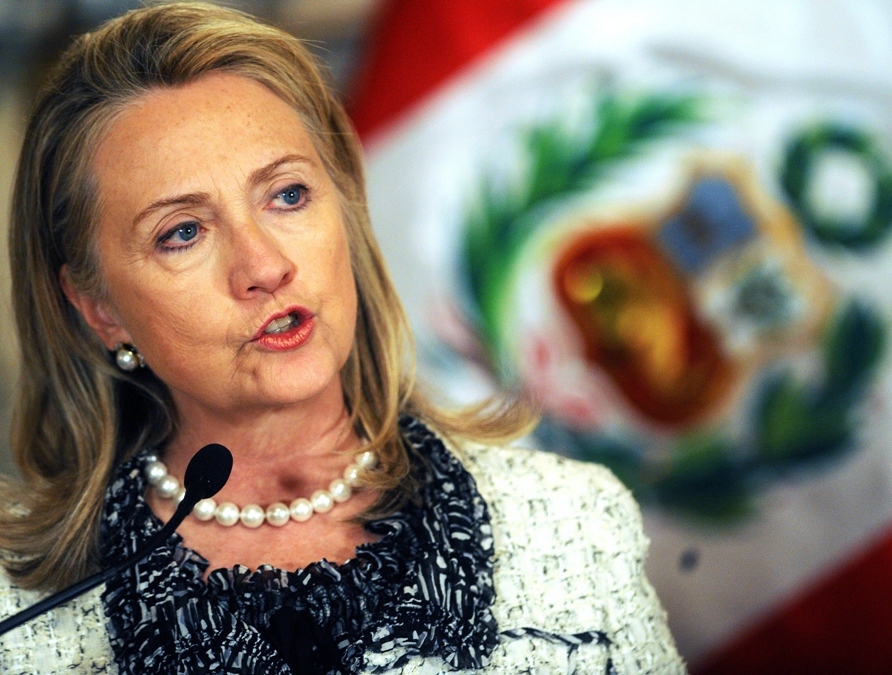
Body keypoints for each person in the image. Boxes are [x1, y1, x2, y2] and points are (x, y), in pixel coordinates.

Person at [0, 3, 685, 673]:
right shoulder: (21, 617)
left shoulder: (572, 522)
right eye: (183, 232)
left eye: (288, 195)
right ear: (100, 310)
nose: (265, 266)